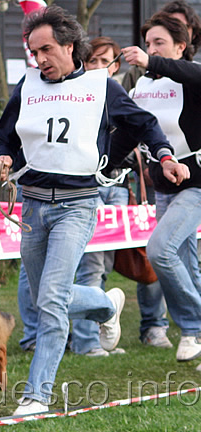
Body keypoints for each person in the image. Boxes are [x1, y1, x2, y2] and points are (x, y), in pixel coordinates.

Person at [0, 6, 183, 415]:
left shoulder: (101, 86)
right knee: (48, 294)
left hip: (77, 206)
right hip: (32, 205)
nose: (40, 59)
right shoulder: (26, 86)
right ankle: (104, 304)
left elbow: (145, 124)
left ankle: (37, 395)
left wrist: (164, 156)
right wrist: (2, 158)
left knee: (51, 299)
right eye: (33, 51)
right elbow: (4, 135)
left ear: (69, 46)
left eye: (46, 49)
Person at [119, 13, 201, 368]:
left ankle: (192, 325)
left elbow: (190, 73)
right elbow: (129, 134)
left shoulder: (192, 77)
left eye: (158, 44)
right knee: (186, 263)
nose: (148, 50)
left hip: (197, 185)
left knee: (159, 250)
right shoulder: (142, 88)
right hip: (163, 187)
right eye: (147, 43)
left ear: (181, 47)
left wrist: (151, 60)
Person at [71, 37, 128, 358]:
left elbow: (138, 132)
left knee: (105, 262)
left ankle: (101, 324)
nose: (95, 67)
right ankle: (86, 341)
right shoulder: (76, 94)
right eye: (90, 60)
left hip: (119, 185)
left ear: (115, 66)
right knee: (90, 263)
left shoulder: (121, 96)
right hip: (84, 186)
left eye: (102, 61)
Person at [121, 0, 201, 92]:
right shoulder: (139, 75)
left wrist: (149, 61)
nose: (151, 51)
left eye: (159, 43)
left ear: (180, 46)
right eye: (147, 45)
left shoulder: (194, 73)